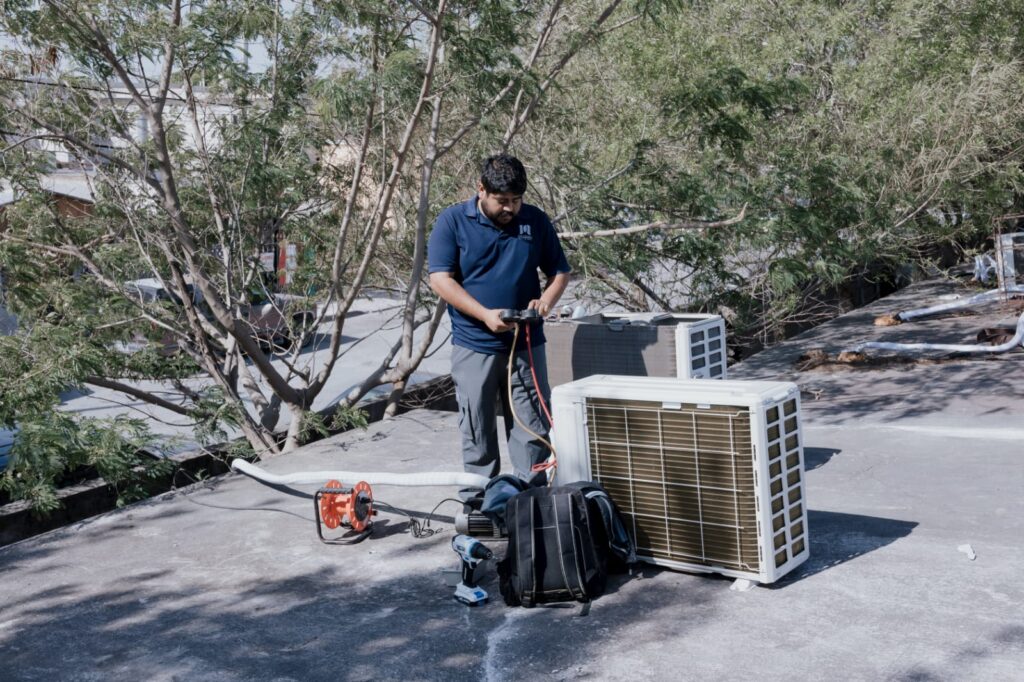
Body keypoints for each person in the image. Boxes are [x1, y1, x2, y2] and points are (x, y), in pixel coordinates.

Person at [428, 154, 571, 488]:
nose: (510, 208)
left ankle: (530, 500)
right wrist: (485, 315)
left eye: (516, 200)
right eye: (502, 201)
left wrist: (545, 302)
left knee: (531, 427)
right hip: (474, 345)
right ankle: (480, 502)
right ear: (481, 189)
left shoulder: (535, 221)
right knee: (476, 431)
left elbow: (560, 272)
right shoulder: (452, 222)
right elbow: (440, 280)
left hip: (526, 346)